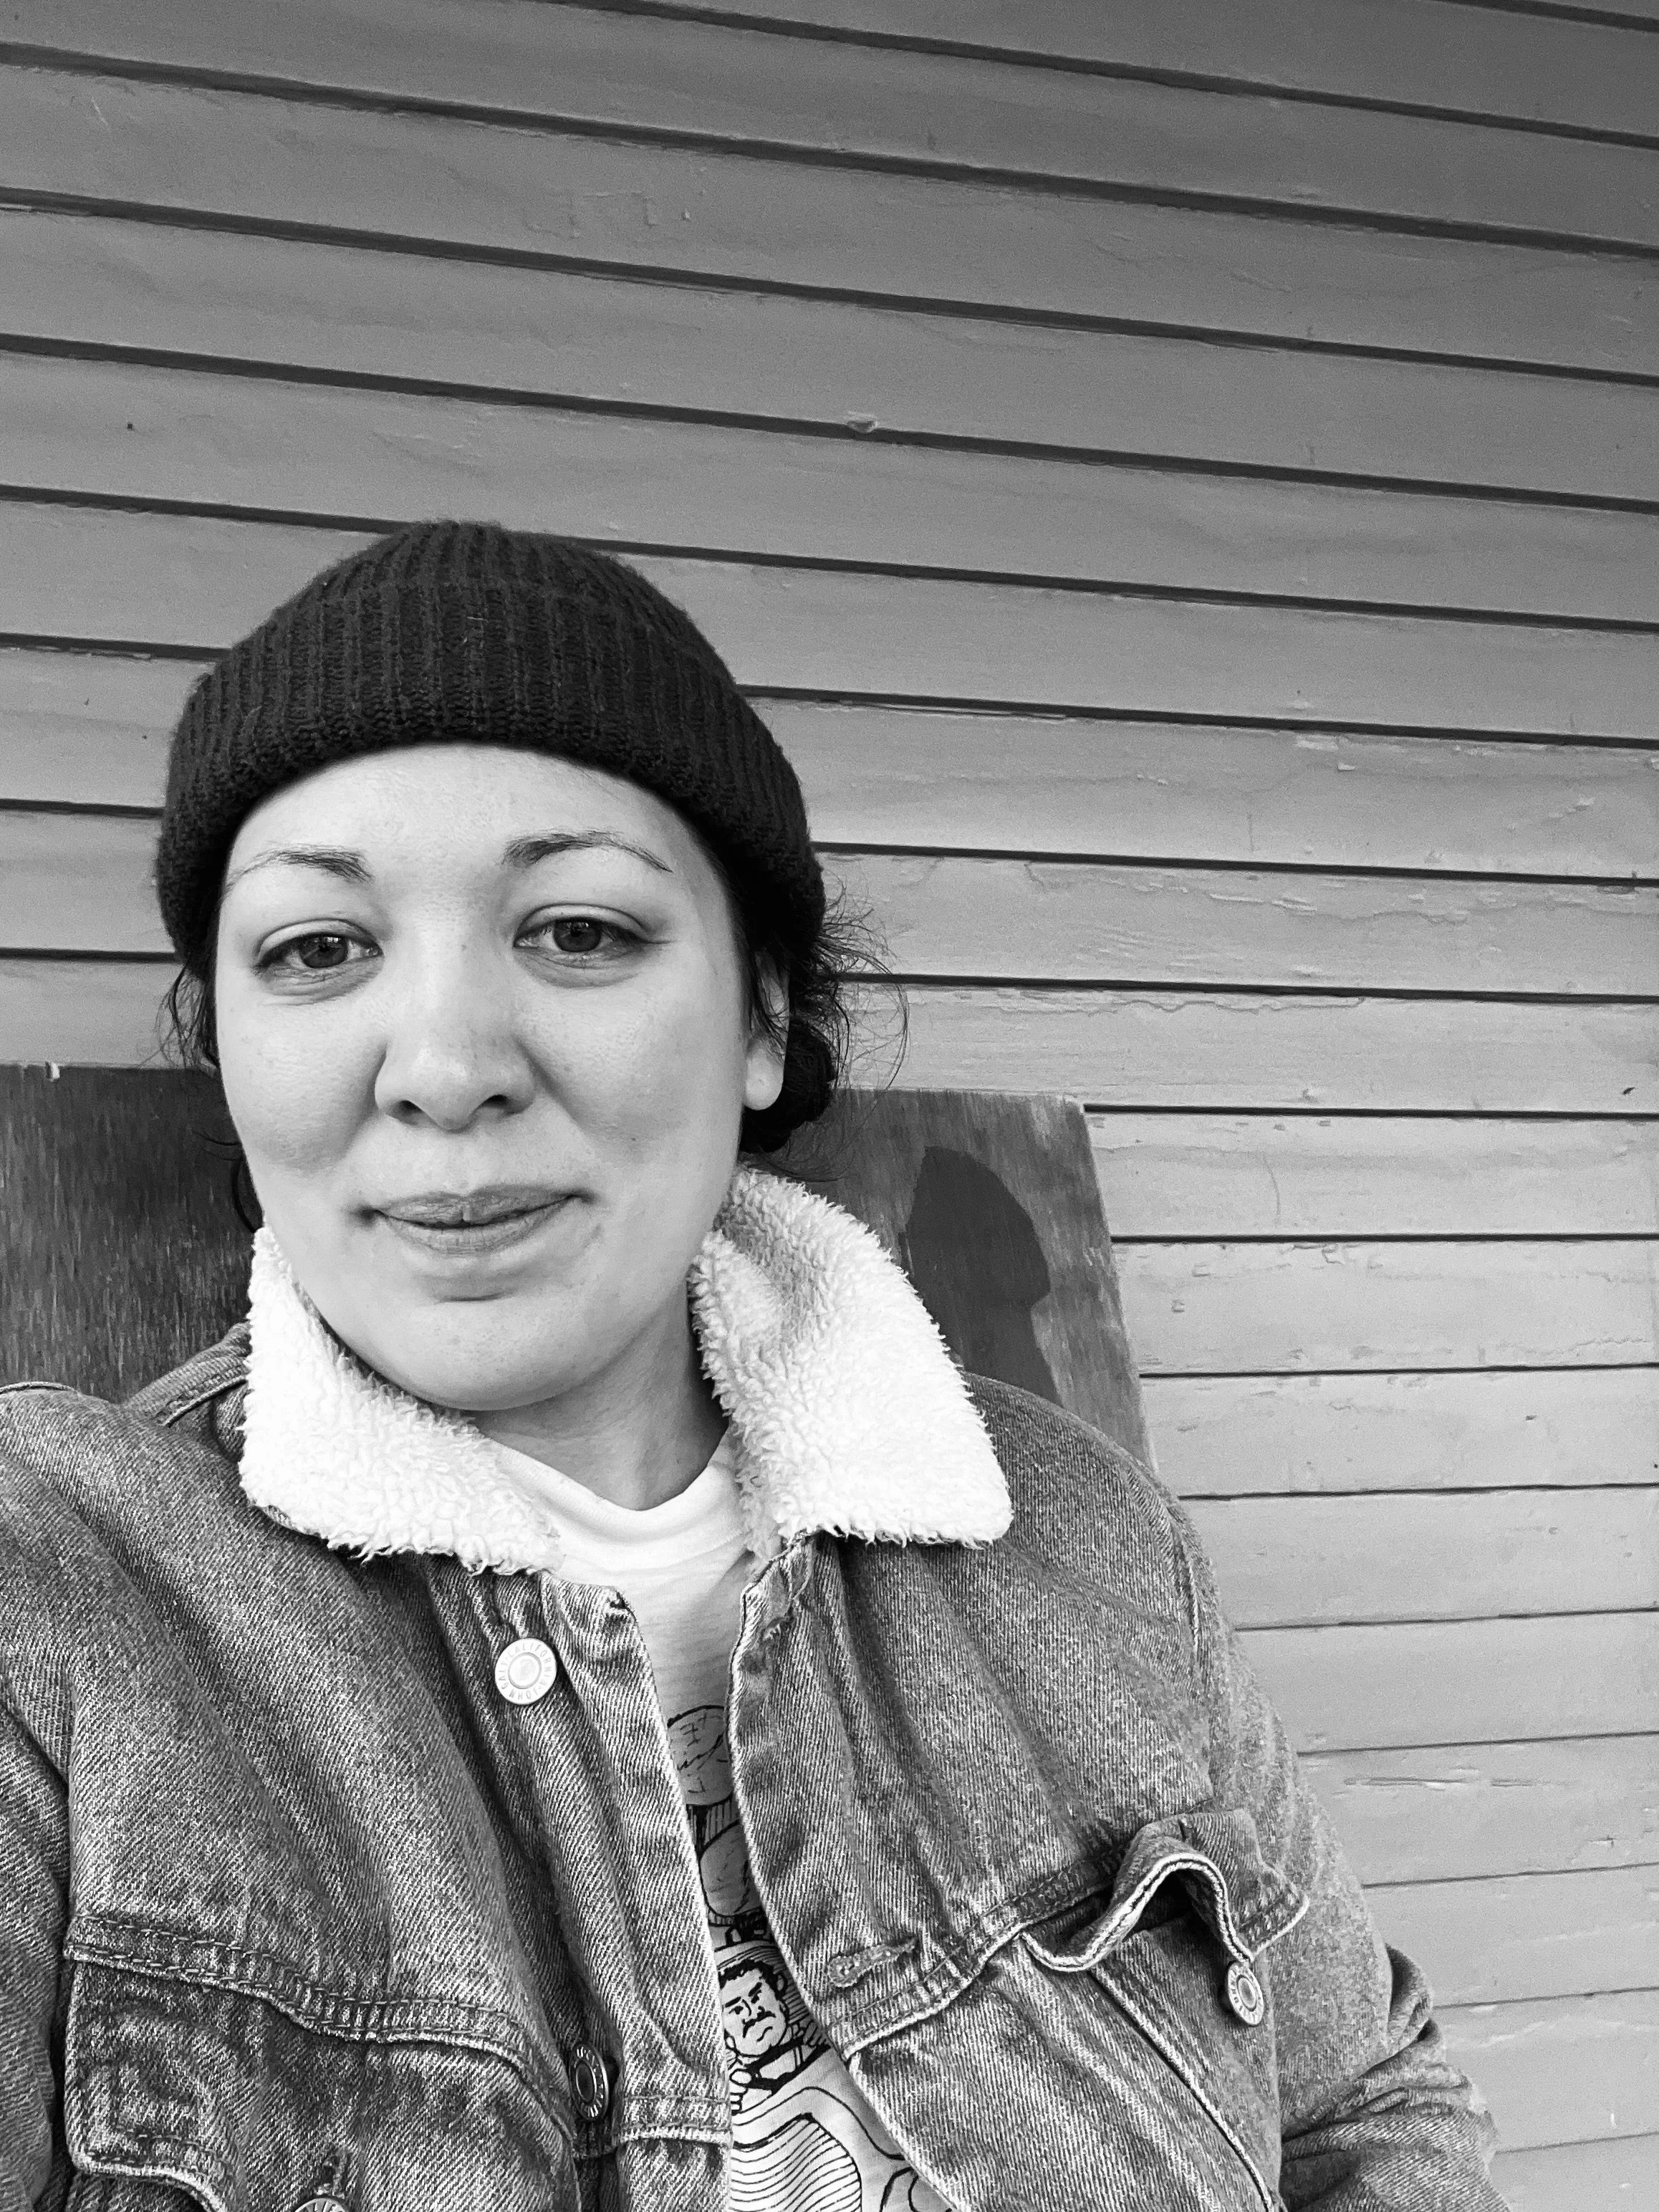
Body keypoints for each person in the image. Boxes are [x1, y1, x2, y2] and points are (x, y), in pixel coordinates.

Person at [0, 523, 1506, 2211]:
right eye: (316, 949)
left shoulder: (1081, 1537)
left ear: (766, 1015)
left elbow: (1362, 2103)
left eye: (575, 930)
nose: (439, 1064)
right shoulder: (50, 1602)